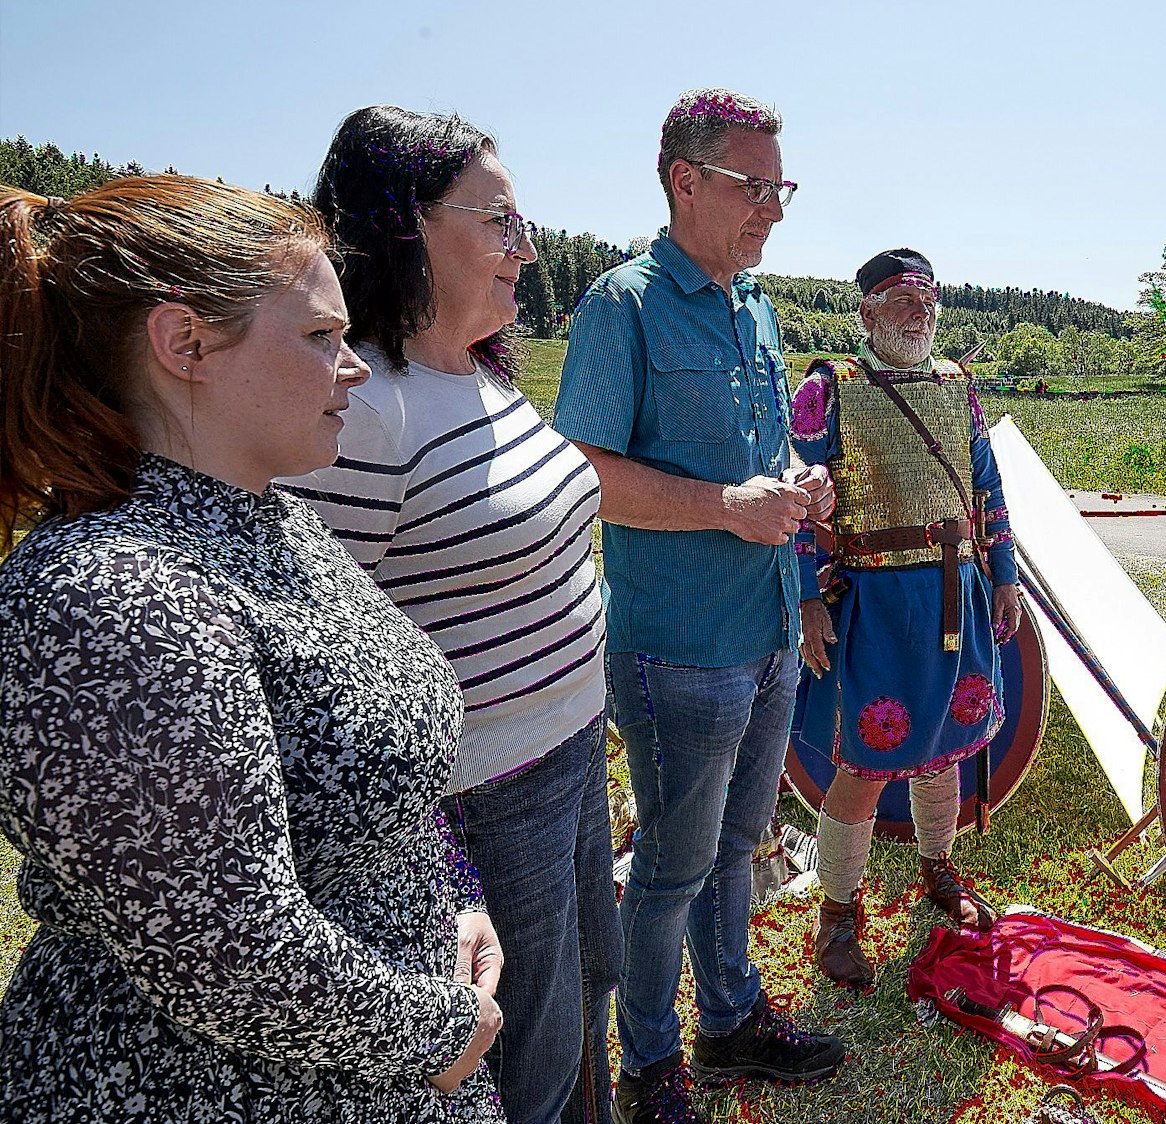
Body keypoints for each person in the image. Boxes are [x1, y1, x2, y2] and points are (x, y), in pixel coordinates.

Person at [0, 177, 503, 1121]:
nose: (353, 366)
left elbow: (384, 765)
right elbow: (225, 947)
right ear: (183, 341)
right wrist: (444, 1034)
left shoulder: (271, 520)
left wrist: (453, 899)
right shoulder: (112, 596)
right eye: (319, 336)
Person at [282, 106, 617, 1124]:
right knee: (526, 1053)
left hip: (570, 751)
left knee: (586, 995)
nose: (526, 248)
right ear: (405, 222)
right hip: (480, 793)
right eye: (499, 221)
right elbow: (326, 660)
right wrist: (438, 845)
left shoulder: (478, 371)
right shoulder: (365, 407)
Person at [550, 88, 843, 1124]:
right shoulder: (619, 305)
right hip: (677, 646)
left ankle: (728, 1019)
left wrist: (800, 478)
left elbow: (762, 452)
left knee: (740, 843)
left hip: (763, 630)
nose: (773, 208)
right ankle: (648, 1063)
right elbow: (580, 468)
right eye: (751, 185)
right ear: (684, 180)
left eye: (781, 186)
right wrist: (725, 504)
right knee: (670, 865)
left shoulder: (753, 305)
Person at [789, 249, 1024, 988]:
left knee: (947, 747)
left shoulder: (959, 386)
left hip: (959, 592)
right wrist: (802, 599)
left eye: (926, 296)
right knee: (862, 766)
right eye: (899, 296)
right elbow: (793, 494)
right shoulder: (825, 389)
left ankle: (937, 869)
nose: (918, 308)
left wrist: (1005, 577)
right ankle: (837, 915)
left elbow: (987, 487)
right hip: (877, 603)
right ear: (865, 312)